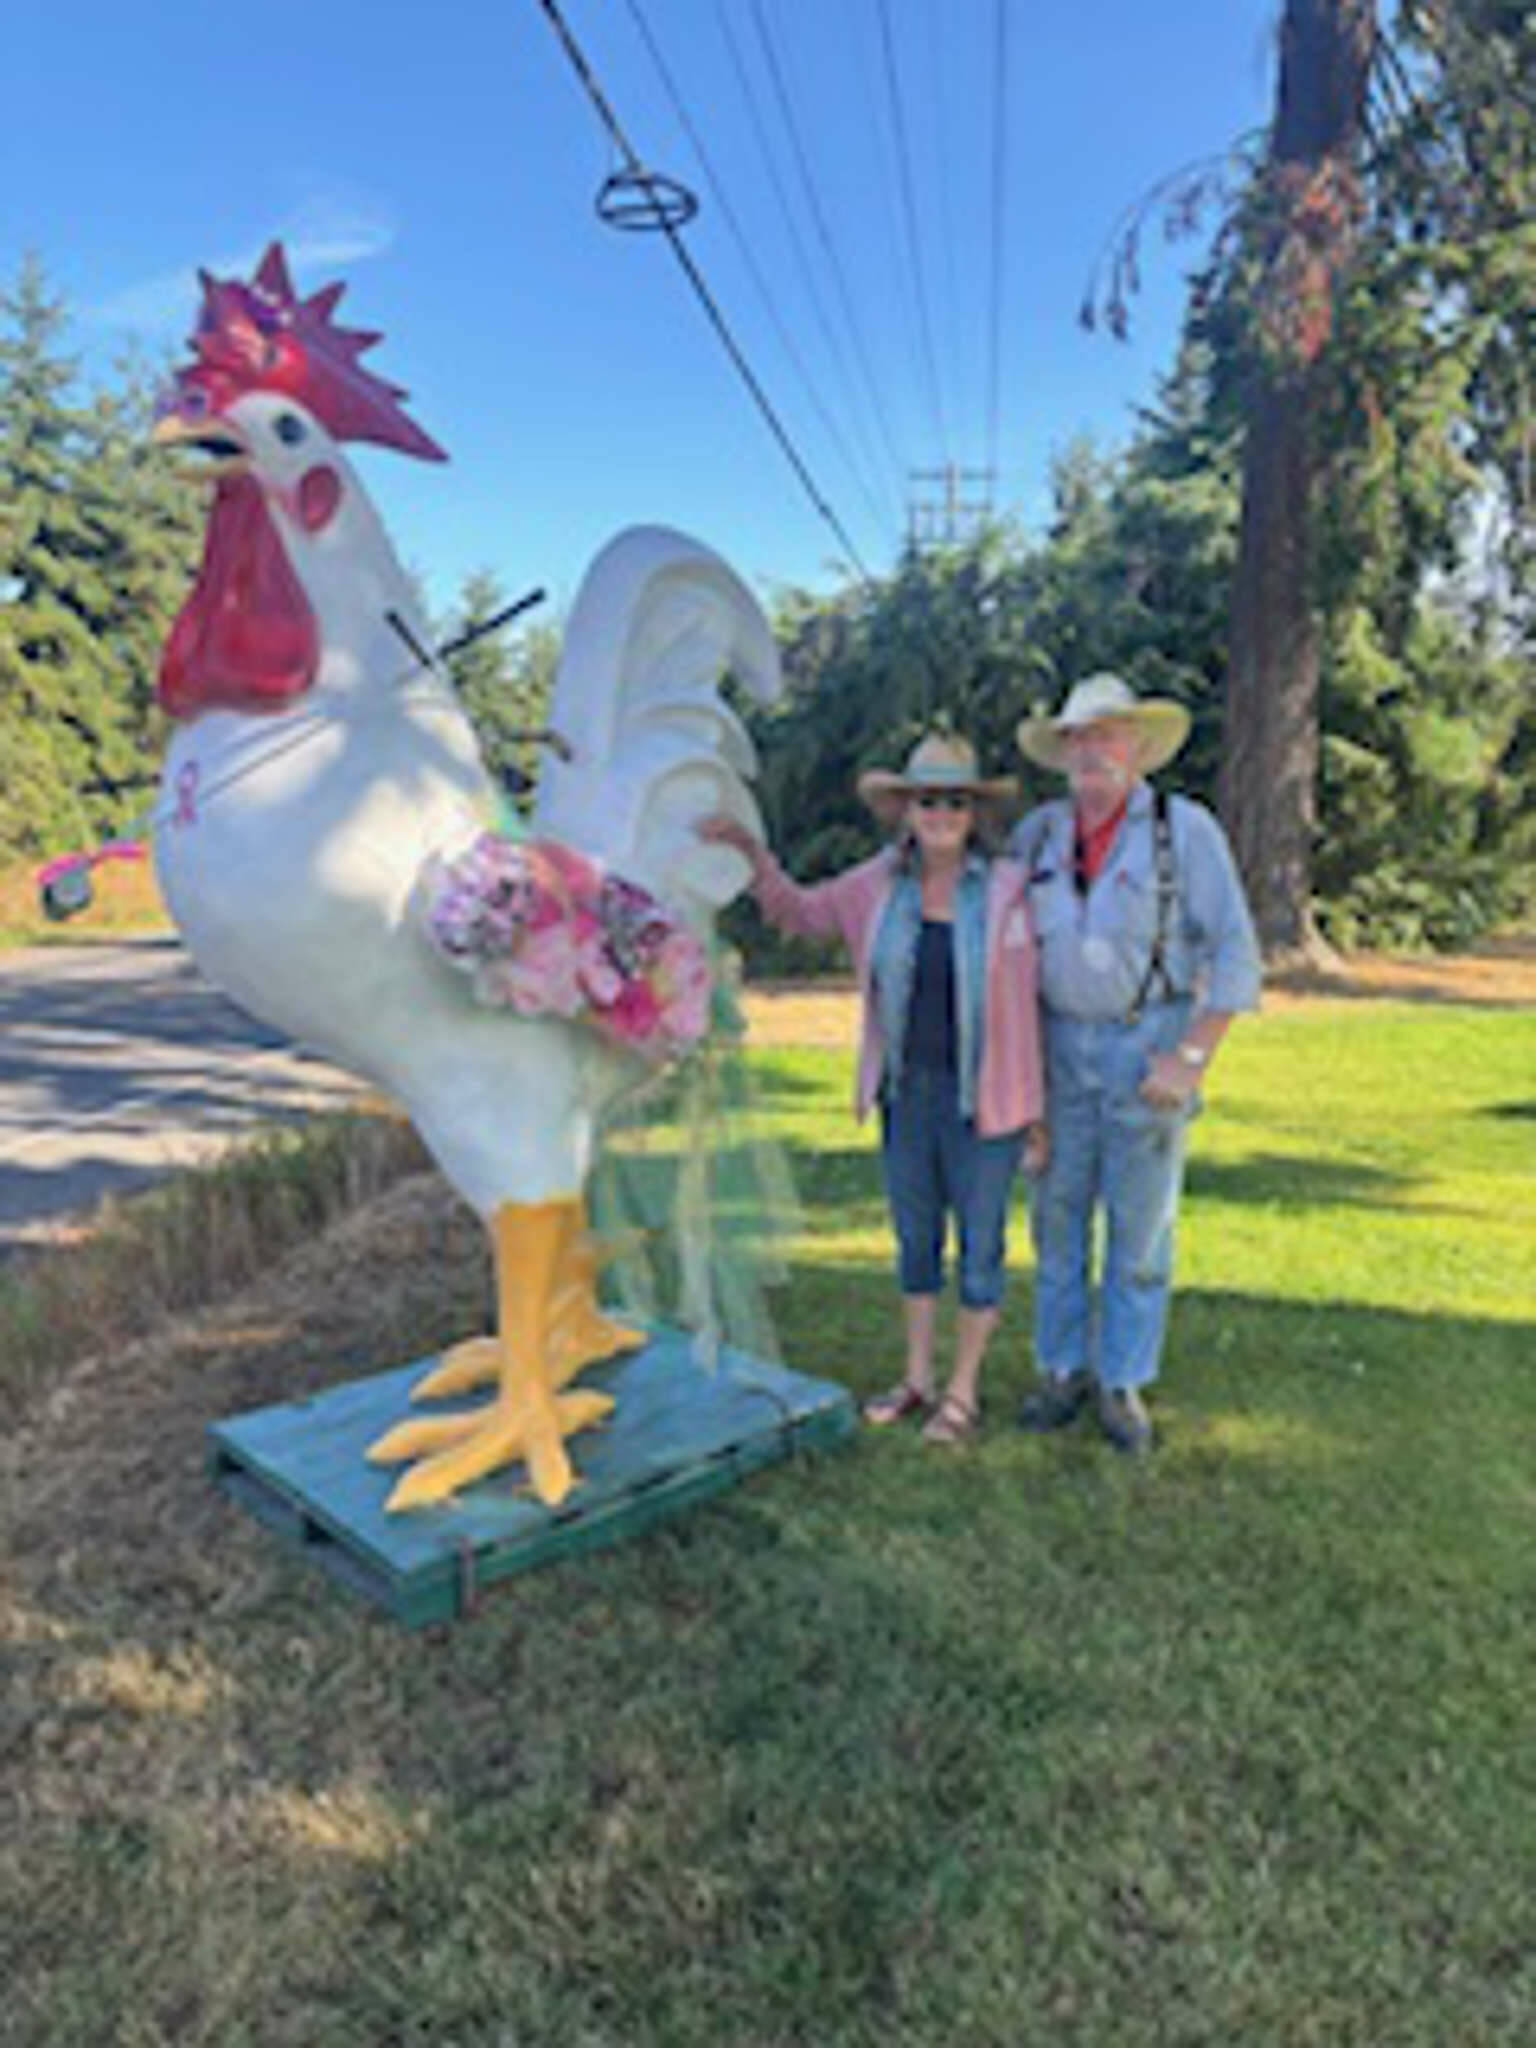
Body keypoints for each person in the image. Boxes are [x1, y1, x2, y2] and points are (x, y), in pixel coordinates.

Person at [700, 733, 1047, 1444]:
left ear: (975, 812)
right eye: (928, 800)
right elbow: (797, 912)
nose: (941, 812)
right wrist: (753, 858)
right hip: (906, 1094)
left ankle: (963, 1393)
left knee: (980, 1246)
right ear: (906, 810)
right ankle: (918, 1381)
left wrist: (1041, 1114)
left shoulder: (1014, 889)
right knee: (915, 1240)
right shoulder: (875, 886)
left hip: (989, 1102)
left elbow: (1042, 1000)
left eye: (956, 800)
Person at [1010, 674, 1261, 1454]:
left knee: (1141, 1228)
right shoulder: (1039, 836)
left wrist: (1191, 1058)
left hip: (1145, 1044)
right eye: (1080, 739)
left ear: (1140, 749)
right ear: (1063, 754)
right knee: (1056, 1223)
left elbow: (1235, 952)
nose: (1094, 752)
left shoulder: (1186, 831)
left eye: (1109, 736)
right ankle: (1060, 1370)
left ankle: (1121, 1382)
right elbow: (1007, 960)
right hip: (1057, 1052)